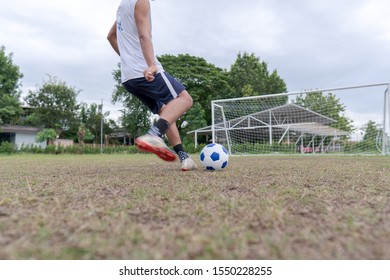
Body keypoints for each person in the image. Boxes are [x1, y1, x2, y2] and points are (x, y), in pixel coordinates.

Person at [107, 0, 197, 171]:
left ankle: (184, 157)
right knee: (184, 99)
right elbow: (144, 36)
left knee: (166, 111)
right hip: (143, 70)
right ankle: (153, 135)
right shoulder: (141, 1)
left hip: (129, 77)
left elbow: (110, 36)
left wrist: (127, 61)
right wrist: (151, 65)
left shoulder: (123, 5)